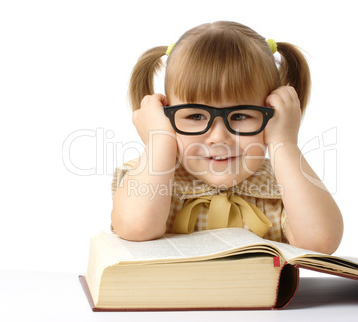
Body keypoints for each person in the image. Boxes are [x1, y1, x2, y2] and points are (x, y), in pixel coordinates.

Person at [111, 21, 343, 254]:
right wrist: (159, 140)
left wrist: (284, 143)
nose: (219, 137)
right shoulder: (150, 175)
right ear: (165, 116)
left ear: (272, 116)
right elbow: (135, 227)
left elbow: (320, 243)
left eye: (240, 115)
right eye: (196, 115)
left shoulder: (283, 185)